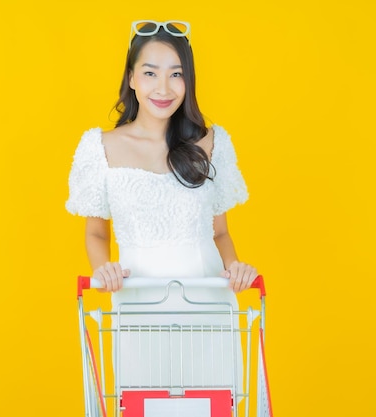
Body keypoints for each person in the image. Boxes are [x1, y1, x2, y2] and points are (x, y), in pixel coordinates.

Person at [66, 20, 258, 390]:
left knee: (211, 404)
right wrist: (102, 270)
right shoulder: (100, 147)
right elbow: (95, 232)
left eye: (176, 74)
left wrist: (235, 269)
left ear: (189, 82)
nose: (164, 88)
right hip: (138, 305)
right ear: (132, 78)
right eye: (151, 73)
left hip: (208, 306)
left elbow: (219, 232)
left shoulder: (212, 144)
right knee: (145, 402)